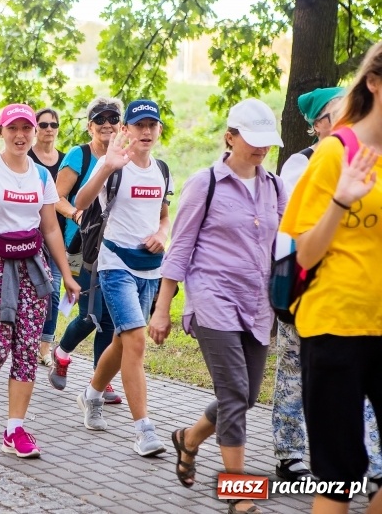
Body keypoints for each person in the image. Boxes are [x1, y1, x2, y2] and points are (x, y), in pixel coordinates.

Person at [149, 98, 285, 514]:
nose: (261, 148)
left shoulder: (275, 186)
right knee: (234, 395)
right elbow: (180, 247)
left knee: (244, 397)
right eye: (253, 139)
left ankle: (189, 438)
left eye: (267, 140)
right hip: (213, 300)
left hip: (258, 304)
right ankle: (239, 495)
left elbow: (283, 246)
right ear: (230, 137)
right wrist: (162, 307)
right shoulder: (204, 183)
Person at [279, 41, 382, 513]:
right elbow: (305, 252)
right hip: (336, 327)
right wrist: (341, 200)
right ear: (374, 83)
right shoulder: (334, 152)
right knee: (339, 476)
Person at [0, 103, 81, 458]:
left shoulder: (42, 176)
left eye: (27, 129)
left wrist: (66, 275)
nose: (20, 136)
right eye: (13, 129)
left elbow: (50, 228)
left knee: (26, 351)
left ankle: (14, 429)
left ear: (35, 132)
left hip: (32, 268)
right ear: (1, 132)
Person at [74, 99, 173, 458]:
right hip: (115, 263)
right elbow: (81, 201)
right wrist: (106, 167)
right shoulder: (113, 164)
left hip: (150, 268)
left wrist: (162, 233)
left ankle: (92, 394)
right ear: (126, 129)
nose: (146, 131)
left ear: (158, 129)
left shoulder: (161, 170)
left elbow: (163, 215)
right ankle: (143, 430)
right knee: (136, 340)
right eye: (139, 125)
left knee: (122, 341)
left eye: (152, 125)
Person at [49, 97, 123, 404]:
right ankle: (61, 352)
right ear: (90, 126)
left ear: (121, 125)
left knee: (109, 321)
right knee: (91, 315)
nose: (107, 124)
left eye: (113, 119)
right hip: (81, 247)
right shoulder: (79, 156)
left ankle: (99, 381)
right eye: (100, 119)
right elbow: (56, 197)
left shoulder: (127, 156)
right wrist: (77, 214)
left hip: (116, 248)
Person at [28, 107, 66, 366]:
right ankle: (25, 340)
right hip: (29, 237)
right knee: (29, 293)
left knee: (53, 292)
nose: (49, 129)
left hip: (56, 236)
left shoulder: (65, 160)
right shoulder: (27, 157)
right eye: (43, 125)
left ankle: (45, 345)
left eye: (53, 124)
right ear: (35, 129)